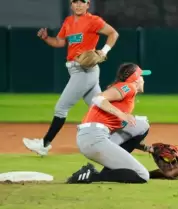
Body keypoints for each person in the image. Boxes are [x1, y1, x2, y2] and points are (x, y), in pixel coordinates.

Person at [23, 0, 119, 156]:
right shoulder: (68, 22)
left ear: (88, 5)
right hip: (77, 70)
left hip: (84, 70)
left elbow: (113, 33)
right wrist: (46, 38)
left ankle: (44, 144)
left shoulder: (93, 20)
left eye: (83, 2)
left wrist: (104, 51)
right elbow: (60, 42)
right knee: (99, 108)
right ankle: (121, 139)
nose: (79, 5)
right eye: (75, 2)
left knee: (61, 108)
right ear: (71, 5)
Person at [66, 63, 153, 184]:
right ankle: (92, 176)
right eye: (142, 76)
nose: (143, 79)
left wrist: (148, 148)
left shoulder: (124, 91)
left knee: (142, 124)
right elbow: (98, 98)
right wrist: (121, 114)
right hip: (94, 138)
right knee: (142, 176)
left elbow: (128, 136)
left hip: (93, 136)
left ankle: (107, 171)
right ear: (136, 79)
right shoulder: (129, 87)